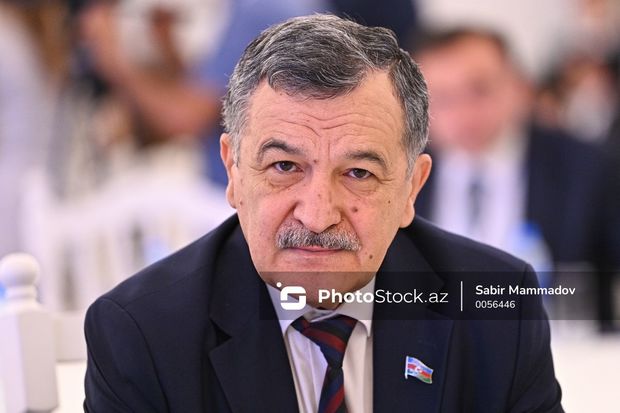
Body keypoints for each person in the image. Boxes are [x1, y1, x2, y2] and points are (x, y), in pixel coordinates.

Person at [84, 15, 563, 412]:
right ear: (233, 171)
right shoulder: (141, 333)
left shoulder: (500, 312)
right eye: (284, 167)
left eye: (358, 173)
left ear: (411, 188)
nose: (317, 216)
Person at [412, 28, 620, 331]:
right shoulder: (401, 173)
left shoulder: (587, 168)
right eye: (443, 98)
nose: (463, 113)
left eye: (479, 90)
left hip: (561, 347)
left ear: (520, 87)